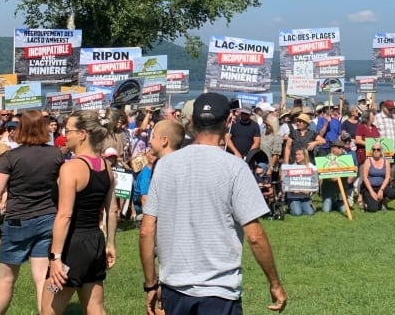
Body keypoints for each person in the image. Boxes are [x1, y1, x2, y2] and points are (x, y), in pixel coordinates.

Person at [139, 93, 287, 314]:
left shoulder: (165, 165)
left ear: (191, 122)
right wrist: (274, 283)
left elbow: (146, 230)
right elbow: (254, 235)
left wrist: (150, 284)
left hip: (175, 288)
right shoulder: (235, 167)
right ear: (228, 122)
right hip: (220, 291)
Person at [0, 110, 63, 315]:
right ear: (44, 128)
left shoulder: (12, 157)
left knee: (6, 279)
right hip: (47, 219)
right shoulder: (56, 154)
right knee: (41, 279)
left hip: (17, 222)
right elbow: (61, 187)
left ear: (21, 129)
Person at [41, 110, 118, 315]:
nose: (65, 134)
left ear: (83, 134)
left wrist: (55, 257)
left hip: (70, 247)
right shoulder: (107, 167)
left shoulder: (71, 168)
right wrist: (110, 243)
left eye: (69, 130)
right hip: (95, 242)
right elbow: (112, 210)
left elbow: (64, 215)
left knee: (49, 309)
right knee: (95, 308)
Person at [362, 141, 395, 212]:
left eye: (378, 149)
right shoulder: (368, 161)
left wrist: (381, 190)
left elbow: (387, 177)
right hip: (370, 188)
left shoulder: (386, 162)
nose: (376, 151)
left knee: (394, 194)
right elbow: (365, 178)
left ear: (381, 151)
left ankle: (382, 201)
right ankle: (366, 202)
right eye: (374, 149)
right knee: (373, 209)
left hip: (382, 187)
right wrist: (372, 192)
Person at [285, 148, 316, 216]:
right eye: (296, 154)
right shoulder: (292, 167)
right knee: (297, 213)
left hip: (305, 196)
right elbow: (286, 184)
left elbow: (314, 183)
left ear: (305, 156)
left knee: (310, 213)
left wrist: (309, 190)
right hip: (294, 196)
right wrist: (292, 189)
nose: (296, 156)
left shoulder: (311, 167)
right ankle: (291, 206)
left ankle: (308, 204)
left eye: (299, 154)